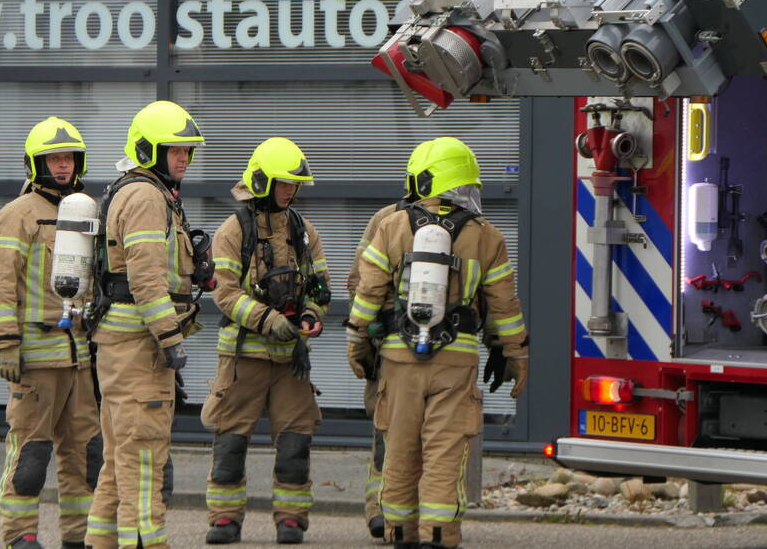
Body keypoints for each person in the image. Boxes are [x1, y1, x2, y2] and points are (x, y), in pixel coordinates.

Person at [346, 137, 529, 549]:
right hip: (455, 363)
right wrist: (517, 354)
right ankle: (439, 535)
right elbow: (505, 308)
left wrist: (357, 343)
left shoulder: (391, 226)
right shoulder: (487, 236)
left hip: (398, 360)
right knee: (444, 454)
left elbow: (367, 294)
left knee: (399, 450)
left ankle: (399, 533)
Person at [85, 100, 208, 549]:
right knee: (143, 459)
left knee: (119, 461)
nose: (184, 158)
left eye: (187, 150)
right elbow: (146, 278)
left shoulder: (148, 192)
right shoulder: (145, 197)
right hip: (140, 347)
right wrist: (171, 339)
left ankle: (101, 541)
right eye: (174, 150)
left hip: (125, 345)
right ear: (147, 150)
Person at [201, 137, 329, 545]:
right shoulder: (233, 230)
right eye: (283, 183)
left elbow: (319, 287)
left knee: (295, 443)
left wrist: (311, 316)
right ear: (262, 182)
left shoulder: (303, 232)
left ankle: (291, 519)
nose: (290, 191)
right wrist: (267, 320)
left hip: (291, 359)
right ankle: (224, 518)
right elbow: (224, 292)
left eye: (294, 184)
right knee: (230, 441)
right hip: (244, 357)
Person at [0, 116, 102, 549]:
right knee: (31, 454)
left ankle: (79, 536)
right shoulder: (17, 215)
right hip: (35, 355)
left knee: (85, 454)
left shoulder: (86, 211)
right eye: (54, 158)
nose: (63, 165)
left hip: (79, 356)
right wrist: (6, 342)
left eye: (69, 157)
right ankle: (20, 534)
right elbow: (0, 282)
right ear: (36, 164)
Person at [345, 140, 432, 541]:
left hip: (428, 352)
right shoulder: (387, 220)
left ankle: (414, 514)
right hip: (393, 350)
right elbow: (358, 280)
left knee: (426, 438)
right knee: (388, 434)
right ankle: (381, 509)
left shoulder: (464, 224)